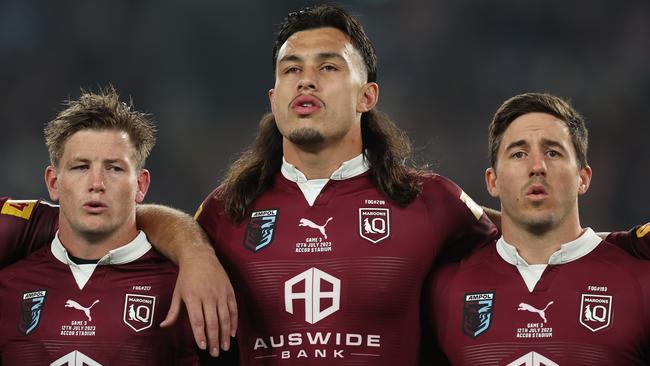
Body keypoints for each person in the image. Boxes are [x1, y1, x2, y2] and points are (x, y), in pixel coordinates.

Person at [426, 93, 650, 365]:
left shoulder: (639, 281)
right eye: (519, 154)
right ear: (492, 181)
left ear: (583, 178)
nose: (537, 167)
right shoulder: (444, 291)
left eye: (553, 152)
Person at [0, 88, 210, 364]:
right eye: (80, 167)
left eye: (114, 168)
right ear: (53, 183)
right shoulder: (8, 287)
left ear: (141, 185)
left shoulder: (183, 286)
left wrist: (196, 254)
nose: (96, 183)